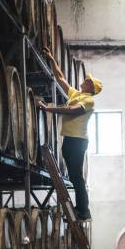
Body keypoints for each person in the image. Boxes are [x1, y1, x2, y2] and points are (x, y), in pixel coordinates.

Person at [38, 48, 102, 221]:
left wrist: (47, 108)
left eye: (88, 81)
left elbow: (72, 110)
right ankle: (81, 209)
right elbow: (61, 78)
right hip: (70, 140)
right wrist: (52, 59)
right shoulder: (77, 94)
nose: (85, 80)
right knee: (74, 176)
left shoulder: (89, 101)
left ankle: (84, 211)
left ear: (91, 87)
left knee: (76, 177)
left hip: (77, 141)